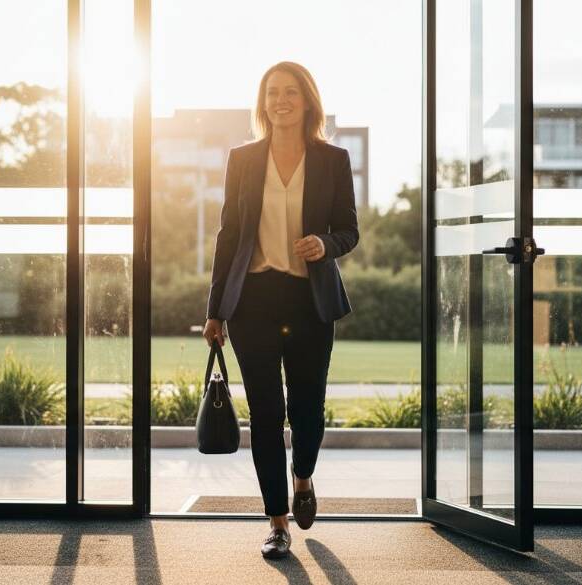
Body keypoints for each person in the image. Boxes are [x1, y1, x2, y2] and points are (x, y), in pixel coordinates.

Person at [202, 61, 359, 559]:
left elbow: (349, 230)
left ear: (307, 100)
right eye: (272, 92)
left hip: (309, 300)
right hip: (253, 301)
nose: (281, 100)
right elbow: (229, 235)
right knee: (267, 414)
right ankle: (276, 522)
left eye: (290, 92)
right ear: (263, 101)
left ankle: (304, 478)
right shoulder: (243, 158)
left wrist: (325, 244)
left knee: (308, 408)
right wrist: (215, 309)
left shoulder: (333, 159)